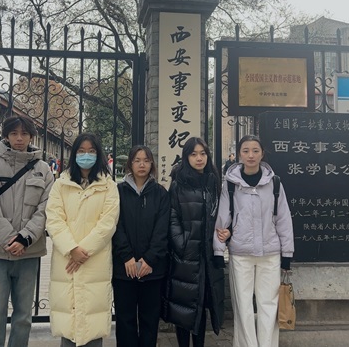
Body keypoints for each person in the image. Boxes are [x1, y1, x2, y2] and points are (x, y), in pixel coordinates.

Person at [0, 115, 54, 347]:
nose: (19, 138)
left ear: (31, 137)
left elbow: (46, 209)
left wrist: (25, 238)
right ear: (6, 136)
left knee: (23, 316)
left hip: (29, 252)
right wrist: (11, 239)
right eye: (14, 133)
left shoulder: (43, 170)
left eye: (24, 134)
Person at [214, 134, 294, 347]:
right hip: (241, 254)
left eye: (255, 151)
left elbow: (283, 219)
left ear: (262, 154)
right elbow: (223, 219)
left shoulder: (274, 183)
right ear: (239, 154)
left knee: (269, 305)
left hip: (270, 254)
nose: (251, 155)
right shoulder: (230, 185)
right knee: (243, 307)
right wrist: (218, 250)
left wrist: (287, 254)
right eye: (246, 151)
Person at [46, 133, 120, 347]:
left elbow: (108, 223)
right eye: (81, 151)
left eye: (91, 151)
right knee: (68, 320)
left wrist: (82, 251)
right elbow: (54, 219)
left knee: (92, 321)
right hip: (66, 259)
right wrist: (71, 249)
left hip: (94, 259)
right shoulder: (61, 184)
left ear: (98, 154)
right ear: (74, 154)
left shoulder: (108, 186)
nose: (86, 155)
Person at [161, 137, 225, 347]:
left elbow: (222, 215)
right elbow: (172, 216)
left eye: (203, 153)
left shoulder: (213, 182)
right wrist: (182, 244)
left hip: (208, 256)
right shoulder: (179, 183)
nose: (199, 158)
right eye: (194, 154)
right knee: (184, 307)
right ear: (186, 157)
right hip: (186, 256)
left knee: (202, 305)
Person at [112, 145, 170, 347]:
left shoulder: (160, 193)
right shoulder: (118, 192)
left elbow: (162, 230)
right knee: (125, 319)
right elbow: (115, 226)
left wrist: (150, 259)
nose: (142, 164)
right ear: (130, 164)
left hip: (151, 269)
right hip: (124, 268)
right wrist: (126, 256)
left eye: (146, 160)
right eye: (137, 160)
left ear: (152, 164)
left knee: (149, 320)